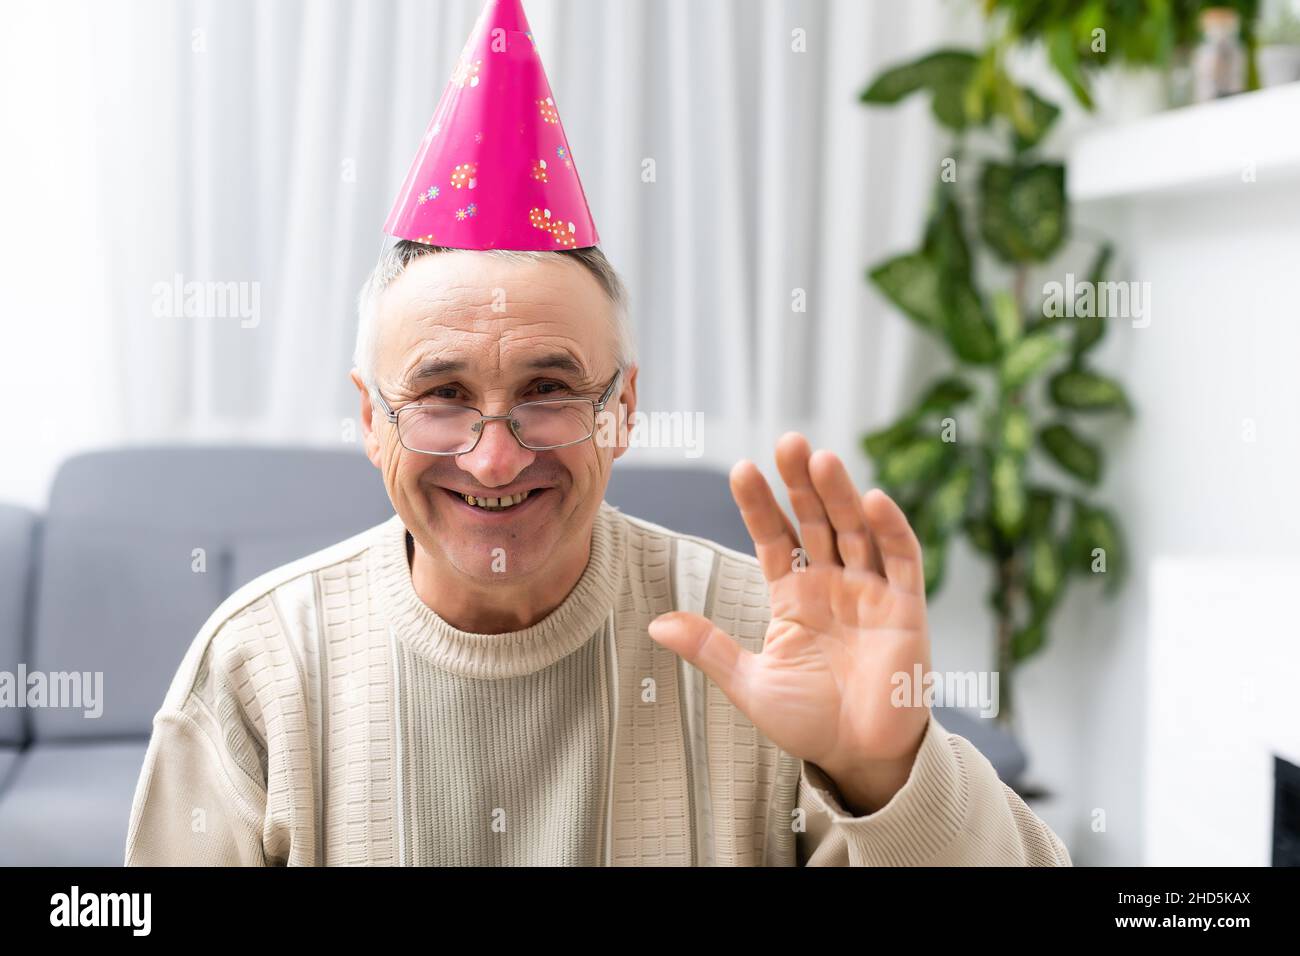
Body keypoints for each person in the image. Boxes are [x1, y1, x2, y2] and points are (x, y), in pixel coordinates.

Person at [124, 0, 1069, 867]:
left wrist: (890, 773)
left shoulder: (764, 641)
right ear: (373, 419)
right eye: (443, 395)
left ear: (623, 411)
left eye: (549, 389)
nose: (495, 457)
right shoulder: (256, 669)